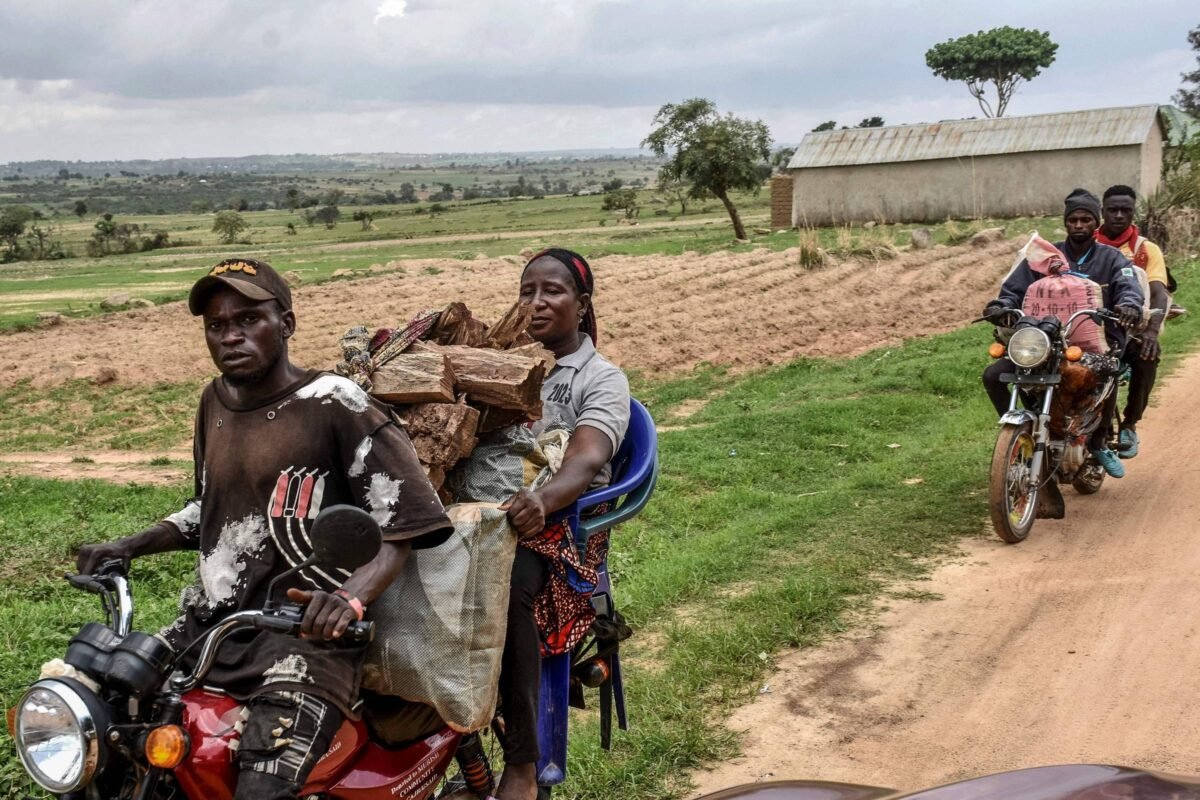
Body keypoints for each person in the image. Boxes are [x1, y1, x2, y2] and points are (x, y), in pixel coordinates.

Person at [75, 258, 452, 800]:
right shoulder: (214, 402)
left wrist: (347, 599)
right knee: (106, 727)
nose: (231, 336)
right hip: (209, 629)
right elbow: (208, 508)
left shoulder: (336, 402)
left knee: (262, 782)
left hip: (304, 640)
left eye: (249, 319)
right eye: (217, 325)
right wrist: (128, 545)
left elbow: (402, 526)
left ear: (286, 324)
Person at [496, 248, 630, 800]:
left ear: (582, 303)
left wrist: (542, 502)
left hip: (566, 527)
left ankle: (522, 766)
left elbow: (586, 459)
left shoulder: (600, 378)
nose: (536, 303)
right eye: (527, 292)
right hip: (498, 511)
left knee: (504, 586)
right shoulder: (499, 366)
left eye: (552, 291)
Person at [981, 188, 1143, 479]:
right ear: (1065, 222)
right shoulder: (1044, 256)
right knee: (994, 375)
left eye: (1085, 219)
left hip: (1094, 344)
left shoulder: (1112, 259)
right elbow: (1013, 289)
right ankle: (1023, 430)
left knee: (1108, 370)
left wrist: (1129, 305)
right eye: (1073, 220)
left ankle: (1099, 440)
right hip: (1042, 344)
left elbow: (1128, 286)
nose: (1079, 225)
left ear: (1096, 223)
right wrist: (1001, 305)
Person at [1095, 184, 1170, 459]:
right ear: (1102, 211)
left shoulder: (1145, 249)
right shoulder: (1086, 242)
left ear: (1133, 212)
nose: (1118, 215)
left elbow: (1158, 292)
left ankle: (1129, 423)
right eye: (1112, 210)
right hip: (1087, 325)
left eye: (1125, 210)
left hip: (1129, 329)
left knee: (1146, 356)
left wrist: (1151, 331)